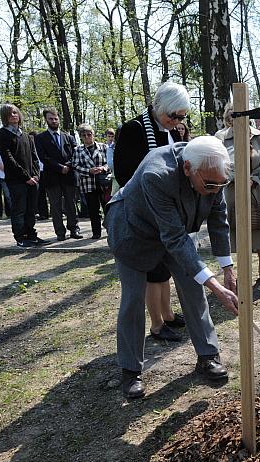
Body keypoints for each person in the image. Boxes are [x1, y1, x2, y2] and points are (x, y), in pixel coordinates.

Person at [104, 136, 238, 398]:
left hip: (174, 232)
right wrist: (215, 285)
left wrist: (227, 268)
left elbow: (218, 219)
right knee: (132, 299)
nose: (215, 189)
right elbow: (174, 238)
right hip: (134, 232)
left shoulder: (213, 171)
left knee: (193, 290)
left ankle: (208, 356)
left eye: (220, 184)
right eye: (209, 184)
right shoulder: (157, 174)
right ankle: (130, 370)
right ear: (188, 168)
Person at [114, 81, 188, 342]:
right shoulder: (133, 130)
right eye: (173, 115)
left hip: (168, 210)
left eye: (182, 116)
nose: (177, 121)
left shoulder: (174, 131)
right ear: (159, 107)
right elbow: (124, 174)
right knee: (152, 270)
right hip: (143, 213)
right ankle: (156, 324)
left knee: (165, 268)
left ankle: (167, 314)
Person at [215, 103, 260, 286]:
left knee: (259, 227)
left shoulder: (259, 136)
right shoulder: (220, 137)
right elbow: (219, 162)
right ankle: (240, 272)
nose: (234, 117)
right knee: (235, 230)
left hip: (256, 189)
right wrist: (236, 178)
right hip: (232, 189)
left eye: (237, 113)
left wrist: (253, 179)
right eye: (230, 114)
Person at [0, 103, 50, 248]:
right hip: (16, 180)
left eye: (15, 112)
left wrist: (36, 175)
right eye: (10, 113)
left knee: (31, 209)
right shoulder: (2, 134)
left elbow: (34, 157)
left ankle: (32, 235)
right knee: (19, 210)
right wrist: (26, 177)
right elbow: (8, 159)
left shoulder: (26, 136)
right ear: (5, 116)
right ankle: (20, 237)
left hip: (33, 179)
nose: (14, 115)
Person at [35, 108, 82, 241]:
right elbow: (43, 157)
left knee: (71, 204)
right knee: (55, 206)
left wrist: (68, 166)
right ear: (46, 120)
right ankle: (60, 232)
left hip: (69, 175)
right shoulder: (40, 138)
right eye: (51, 118)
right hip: (51, 176)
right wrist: (59, 167)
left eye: (56, 118)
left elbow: (76, 154)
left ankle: (74, 229)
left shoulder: (69, 137)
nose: (54, 121)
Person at [71, 124, 110, 239]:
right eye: (84, 135)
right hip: (88, 184)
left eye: (89, 134)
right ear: (81, 137)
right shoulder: (78, 150)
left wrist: (103, 168)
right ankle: (96, 232)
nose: (87, 137)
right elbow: (75, 165)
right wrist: (88, 170)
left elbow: (110, 162)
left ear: (93, 134)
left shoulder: (103, 147)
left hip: (103, 183)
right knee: (93, 210)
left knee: (107, 208)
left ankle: (111, 230)